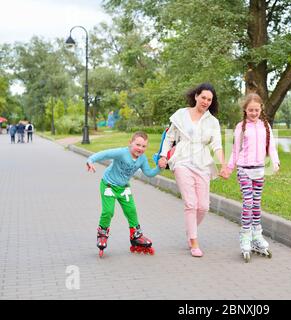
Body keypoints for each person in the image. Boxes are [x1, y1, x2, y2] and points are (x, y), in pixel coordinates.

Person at [158, 83, 227, 257]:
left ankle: (190, 230)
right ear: (196, 96)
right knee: (191, 203)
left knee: (203, 206)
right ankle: (194, 241)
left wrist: (223, 164)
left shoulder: (212, 121)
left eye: (209, 99)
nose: (205, 102)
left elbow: (217, 145)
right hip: (182, 160)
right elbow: (169, 137)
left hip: (202, 163)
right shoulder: (181, 114)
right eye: (203, 97)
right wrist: (163, 156)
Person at [223, 93, 280, 262]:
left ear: (261, 109)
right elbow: (234, 150)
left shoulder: (266, 126)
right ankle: (245, 235)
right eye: (250, 110)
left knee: (256, 204)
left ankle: (257, 235)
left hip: (259, 170)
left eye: (256, 110)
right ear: (245, 110)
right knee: (248, 202)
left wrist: (275, 162)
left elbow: (272, 147)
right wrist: (229, 168)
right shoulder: (241, 127)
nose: (254, 113)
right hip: (244, 170)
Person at [86, 131, 161, 257]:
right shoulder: (122, 153)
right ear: (130, 143)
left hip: (124, 187)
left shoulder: (142, 159)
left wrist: (159, 167)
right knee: (108, 211)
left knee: (131, 210)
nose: (140, 149)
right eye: (138, 145)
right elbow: (105, 154)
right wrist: (90, 160)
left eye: (144, 146)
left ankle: (136, 235)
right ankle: (102, 234)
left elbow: (149, 173)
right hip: (109, 185)